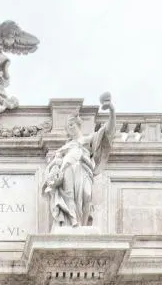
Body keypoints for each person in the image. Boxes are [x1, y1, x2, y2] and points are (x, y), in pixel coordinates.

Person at [42, 93, 115, 228]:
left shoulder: (88, 140)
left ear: (75, 124)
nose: (69, 129)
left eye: (70, 125)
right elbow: (55, 159)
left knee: (87, 196)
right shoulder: (66, 146)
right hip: (68, 168)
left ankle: (82, 224)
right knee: (69, 196)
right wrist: (55, 165)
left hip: (83, 169)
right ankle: (73, 221)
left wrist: (111, 110)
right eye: (68, 127)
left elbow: (107, 132)